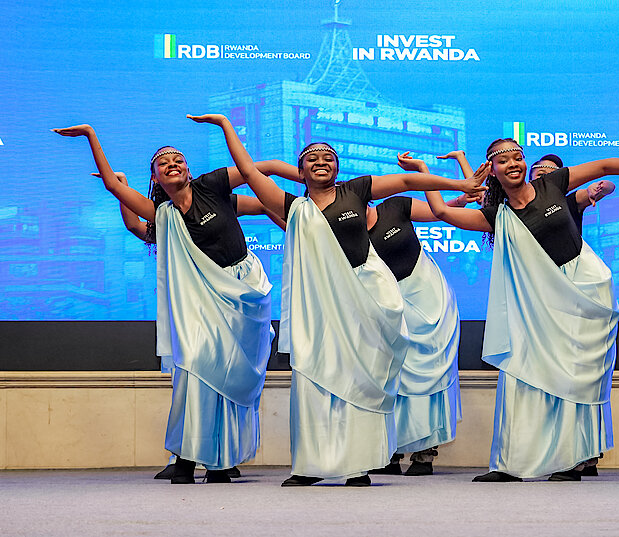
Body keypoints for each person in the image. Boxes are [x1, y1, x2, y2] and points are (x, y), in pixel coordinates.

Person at [187, 113, 487, 486]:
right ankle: (312, 466)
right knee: (314, 382)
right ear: (300, 171)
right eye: (312, 158)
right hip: (320, 310)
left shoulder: (355, 192)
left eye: (328, 157)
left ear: (337, 167)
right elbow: (249, 171)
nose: (321, 162)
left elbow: (408, 181)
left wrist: (460, 183)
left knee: (361, 382)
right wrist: (225, 125)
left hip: (366, 303)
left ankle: (359, 466)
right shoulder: (293, 207)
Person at [425, 138, 619, 482]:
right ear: (493, 171)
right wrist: (430, 174)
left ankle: (573, 460)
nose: (513, 164)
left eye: (517, 157)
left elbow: (604, 167)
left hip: (581, 293)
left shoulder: (552, 185)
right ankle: (511, 463)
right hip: (536, 305)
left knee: (572, 377)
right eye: (504, 161)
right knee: (521, 375)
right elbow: (442, 213)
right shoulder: (497, 215)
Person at [53, 125, 276, 484]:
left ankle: (220, 458)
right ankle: (188, 457)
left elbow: (262, 185)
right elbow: (121, 202)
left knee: (229, 375)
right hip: (199, 303)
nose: (172, 163)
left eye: (178, 160)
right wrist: (92, 135)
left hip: (242, 292)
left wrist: (298, 203)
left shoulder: (213, 190)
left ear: (188, 170)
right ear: (155, 177)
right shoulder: (164, 215)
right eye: (163, 162)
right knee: (194, 368)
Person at [367, 155, 476, 477]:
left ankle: (425, 453)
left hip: (428, 297)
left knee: (430, 372)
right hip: (387, 305)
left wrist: (424, 172)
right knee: (392, 376)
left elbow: (441, 210)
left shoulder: (395, 206)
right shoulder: (341, 232)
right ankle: (391, 451)